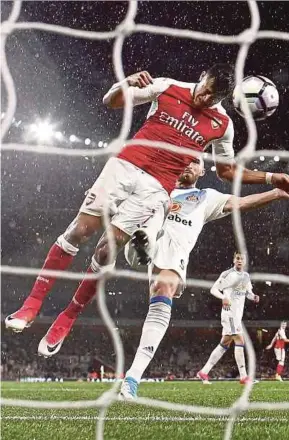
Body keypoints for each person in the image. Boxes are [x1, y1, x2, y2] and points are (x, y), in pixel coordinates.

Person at [6, 66, 288, 343]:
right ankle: (31, 304)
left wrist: (272, 177)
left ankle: (68, 317)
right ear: (202, 77)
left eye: (212, 98)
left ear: (222, 99)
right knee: (79, 231)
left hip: (158, 187)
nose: (205, 99)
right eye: (205, 90)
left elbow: (227, 171)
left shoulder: (222, 124)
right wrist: (125, 83)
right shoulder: (168, 86)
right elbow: (111, 102)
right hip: (125, 165)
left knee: (107, 250)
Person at [119, 159, 289, 399]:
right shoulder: (159, 187)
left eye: (196, 161)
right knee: (137, 234)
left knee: (162, 288)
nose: (189, 164)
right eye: (185, 160)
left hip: (173, 253)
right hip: (151, 233)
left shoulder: (206, 197)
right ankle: (139, 247)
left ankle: (132, 378)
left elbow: (240, 202)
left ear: (202, 170)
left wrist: (276, 192)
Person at [197, 252, 259, 385]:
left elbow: (247, 293)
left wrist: (253, 297)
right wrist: (223, 298)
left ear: (245, 261)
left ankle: (204, 372)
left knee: (224, 344)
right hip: (229, 313)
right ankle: (243, 377)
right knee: (239, 339)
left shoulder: (246, 276)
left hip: (237, 316)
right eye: (237, 258)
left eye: (242, 259)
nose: (240, 261)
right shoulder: (227, 274)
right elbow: (213, 290)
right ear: (234, 260)